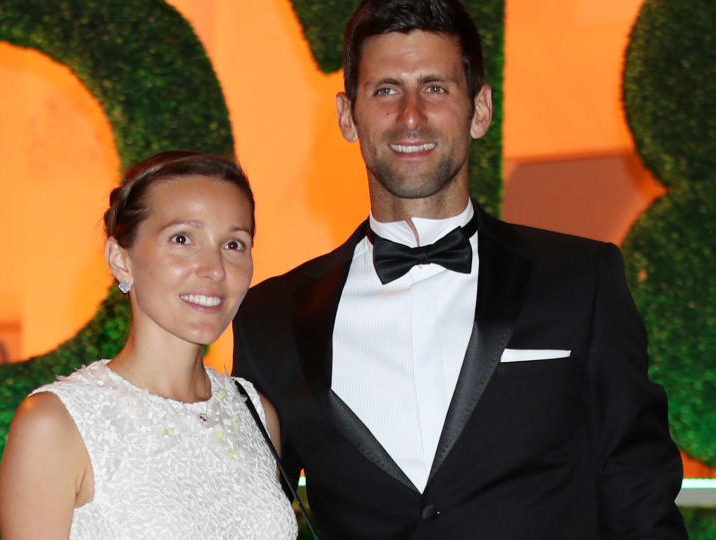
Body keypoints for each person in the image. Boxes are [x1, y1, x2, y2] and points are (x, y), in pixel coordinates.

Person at [232, 0, 688, 538]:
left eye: (435, 87)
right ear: (347, 116)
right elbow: (247, 508)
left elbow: (639, 495)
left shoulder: (580, 280)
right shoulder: (270, 318)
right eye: (385, 90)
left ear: (480, 110)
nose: (410, 115)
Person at [0, 151, 297, 539]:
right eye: (182, 239)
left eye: (234, 244)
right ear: (121, 260)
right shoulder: (55, 424)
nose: (214, 268)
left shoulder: (255, 412)